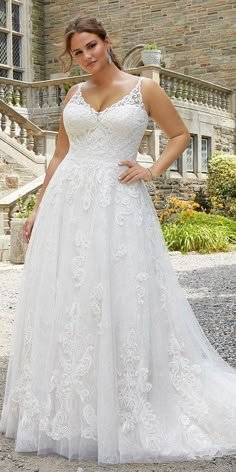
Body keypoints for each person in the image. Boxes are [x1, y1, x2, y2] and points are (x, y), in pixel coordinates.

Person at [0, 15, 236, 467]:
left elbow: (180, 135)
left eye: (92, 46)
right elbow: (61, 156)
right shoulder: (73, 94)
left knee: (121, 292)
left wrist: (152, 169)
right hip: (68, 204)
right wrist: (39, 207)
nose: (86, 56)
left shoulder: (143, 89)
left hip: (119, 204)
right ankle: (70, 404)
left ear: (108, 42)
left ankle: (126, 397)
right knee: (70, 295)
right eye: (77, 52)